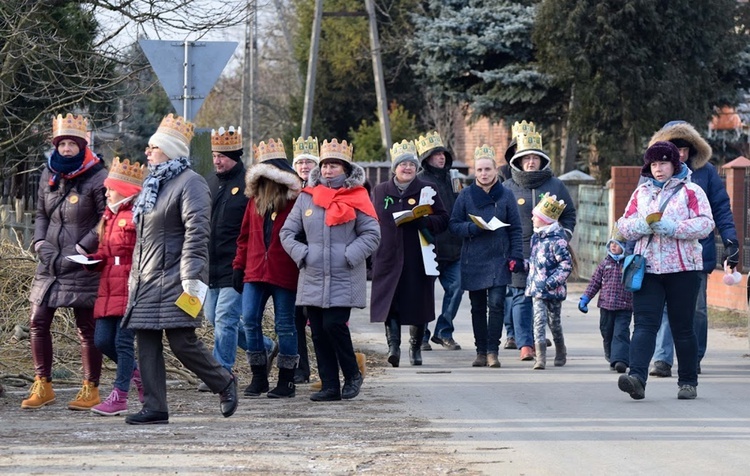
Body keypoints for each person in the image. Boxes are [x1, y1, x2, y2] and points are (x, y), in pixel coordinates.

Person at [123, 114, 238, 424]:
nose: (147, 152)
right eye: (147, 147)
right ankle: (155, 407)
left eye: (153, 147)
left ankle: (224, 382)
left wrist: (191, 276)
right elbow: (144, 240)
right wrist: (135, 277)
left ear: (171, 150)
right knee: (145, 340)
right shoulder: (153, 184)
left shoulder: (191, 183)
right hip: (149, 279)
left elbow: (197, 232)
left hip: (178, 277)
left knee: (181, 340)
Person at [281, 139, 380, 401]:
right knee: (318, 330)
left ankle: (352, 373)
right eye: (324, 166)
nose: (327, 171)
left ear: (345, 169)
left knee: (335, 325)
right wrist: (304, 254)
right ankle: (330, 386)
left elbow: (372, 234)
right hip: (312, 274)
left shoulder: (358, 196)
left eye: (333, 166)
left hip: (344, 275)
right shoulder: (307, 198)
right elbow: (287, 233)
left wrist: (349, 255)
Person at [616, 141, 714, 400]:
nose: (658, 169)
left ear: (675, 164)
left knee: (683, 326)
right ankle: (637, 378)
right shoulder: (641, 193)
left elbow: (706, 224)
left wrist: (674, 228)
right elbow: (624, 225)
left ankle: (688, 382)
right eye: (654, 164)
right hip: (647, 269)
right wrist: (642, 226)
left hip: (683, 269)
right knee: (645, 325)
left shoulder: (691, 191)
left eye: (664, 163)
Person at [22, 113, 107, 410]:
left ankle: (90, 388)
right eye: (63, 144)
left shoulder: (98, 177)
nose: (67, 149)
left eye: (72, 144)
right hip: (49, 262)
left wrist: (83, 248)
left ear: (82, 145)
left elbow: (104, 219)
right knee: (37, 320)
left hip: (81, 263)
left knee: (86, 326)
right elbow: (42, 213)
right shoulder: (49, 175)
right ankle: (43, 384)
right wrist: (40, 242)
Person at [646, 121, 738, 378]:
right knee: (663, 306)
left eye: (687, 148)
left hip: (696, 255)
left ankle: (693, 358)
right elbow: (637, 210)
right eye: (677, 147)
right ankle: (662, 359)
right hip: (660, 254)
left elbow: (721, 208)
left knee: (696, 309)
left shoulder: (705, 173)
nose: (682, 154)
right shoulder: (654, 174)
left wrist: (731, 239)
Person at [200, 126, 276, 392]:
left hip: (237, 264)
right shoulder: (209, 182)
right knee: (212, 316)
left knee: (225, 318)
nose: (217, 160)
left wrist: (247, 263)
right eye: (214, 155)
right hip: (211, 264)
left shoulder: (248, 184)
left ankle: (221, 372)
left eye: (222, 155)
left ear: (235, 155)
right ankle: (265, 346)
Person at [370, 140, 449, 367]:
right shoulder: (380, 190)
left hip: (418, 255)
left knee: (418, 303)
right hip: (388, 255)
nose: (407, 168)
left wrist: (424, 220)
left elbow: (444, 219)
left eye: (411, 165)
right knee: (390, 302)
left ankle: (415, 349)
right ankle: (393, 348)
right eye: (403, 164)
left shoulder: (428, 189)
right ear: (395, 168)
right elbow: (371, 220)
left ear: (417, 168)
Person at [233, 138, 301, 399]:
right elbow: (244, 237)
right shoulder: (254, 202)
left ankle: (286, 381)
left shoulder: (295, 202)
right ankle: (259, 377)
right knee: (249, 319)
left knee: (285, 325)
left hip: (284, 271)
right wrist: (238, 267)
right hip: (254, 272)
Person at [503, 128, 577, 361]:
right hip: (519, 249)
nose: (531, 162)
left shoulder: (555, 186)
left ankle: (545, 340)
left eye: (535, 157)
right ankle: (526, 344)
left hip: (549, 254)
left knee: (546, 300)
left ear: (542, 160)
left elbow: (569, 214)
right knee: (519, 296)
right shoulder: (508, 187)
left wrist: (563, 236)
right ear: (519, 161)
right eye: (527, 158)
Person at [449, 145, 523, 368]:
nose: (483, 173)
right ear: (475, 171)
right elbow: (453, 225)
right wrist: (472, 229)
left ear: (495, 170)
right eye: (480, 170)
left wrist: (516, 256)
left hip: (499, 258)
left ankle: (493, 351)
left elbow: (516, 229)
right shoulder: (466, 195)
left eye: (487, 169)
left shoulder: (506, 194)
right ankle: (480, 351)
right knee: (478, 306)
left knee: (497, 304)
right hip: (474, 258)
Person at [88, 158, 146, 416]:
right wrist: (92, 260)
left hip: (130, 286)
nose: (106, 192)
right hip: (109, 285)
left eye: (111, 188)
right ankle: (139, 373)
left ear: (124, 190)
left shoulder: (136, 215)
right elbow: (105, 251)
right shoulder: (108, 216)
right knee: (101, 340)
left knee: (123, 342)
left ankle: (120, 395)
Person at [415, 132, 464, 351]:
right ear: (426, 158)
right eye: (436, 154)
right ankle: (421, 335)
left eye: (443, 153)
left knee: (457, 287)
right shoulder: (420, 181)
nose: (441, 158)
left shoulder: (453, 179)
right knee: (425, 294)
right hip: (429, 246)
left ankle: (444, 331)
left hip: (454, 247)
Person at [526, 193, 573, 370]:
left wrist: (551, 283)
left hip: (552, 290)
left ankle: (560, 350)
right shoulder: (535, 238)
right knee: (538, 321)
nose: (532, 218)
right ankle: (540, 358)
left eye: (535, 216)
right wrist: (522, 265)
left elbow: (566, 265)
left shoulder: (558, 241)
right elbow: (535, 262)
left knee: (554, 322)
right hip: (537, 289)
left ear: (545, 220)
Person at [578, 226, 632, 373]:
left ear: (625, 247)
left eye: (618, 244)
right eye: (612, 243)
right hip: (606, 306)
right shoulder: (605, 263)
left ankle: (620, 360)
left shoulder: (630, 264)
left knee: (621, 332)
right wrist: (585, 298)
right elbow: (594, 282)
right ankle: (611, 355)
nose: (614, 246)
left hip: (624, 306)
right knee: (607, 331)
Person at [290, 136, 320, 384]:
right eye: (300, 162)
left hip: (317, 260)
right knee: (295, 317)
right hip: (292, 260)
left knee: (320, 320)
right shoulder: (288, 190)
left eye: (309, 162)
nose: (304, 167)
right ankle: (301, 368)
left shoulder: (322, 189)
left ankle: (327, 368)